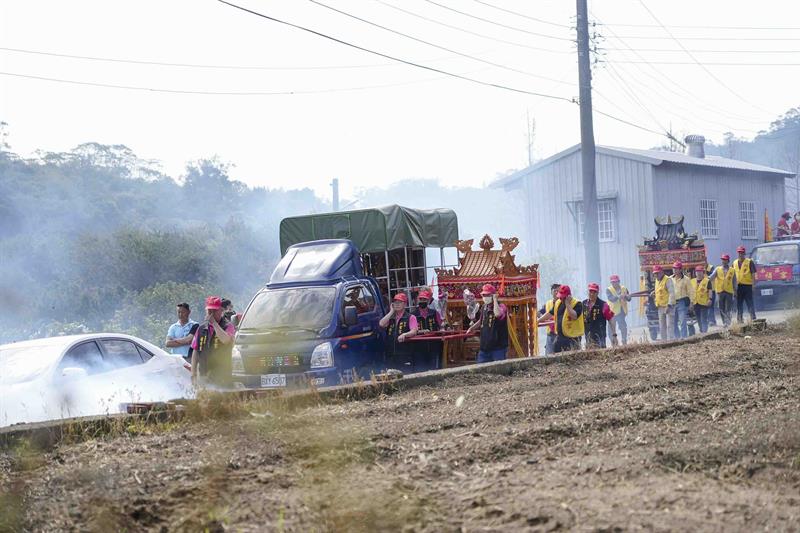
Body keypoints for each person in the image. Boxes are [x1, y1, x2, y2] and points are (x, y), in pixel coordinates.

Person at [191, 296, 236, 388]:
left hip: (222, 376)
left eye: (214, 311)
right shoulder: (201, 328)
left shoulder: (228, 326)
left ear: (221, 311)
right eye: (209, 311)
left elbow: (226, 340)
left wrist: (214, 324)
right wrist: (193, 374)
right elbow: (195, 351)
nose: (211, 314)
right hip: (204, 375)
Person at [467, 284, 509, 363]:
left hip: (498, 347)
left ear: (493, 295)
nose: (485, 297)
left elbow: (497, 314)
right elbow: (481, 320)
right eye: (484, 295)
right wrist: (472, 328)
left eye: (487, 295)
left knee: (498, 368)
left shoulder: (501, 306)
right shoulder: (484, 307)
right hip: (484, 347)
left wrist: (495, 300)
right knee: (481, 368)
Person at [539, 285, 584, 353]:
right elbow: (550, 313)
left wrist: (567, 304)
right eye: (560, 297)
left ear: (568, 296)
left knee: (572, 357)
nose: (561, 299)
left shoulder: (577, 304)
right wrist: (539, 320)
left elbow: (574, 316)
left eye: (563, 297)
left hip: (573, 338)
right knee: (556, 354)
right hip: (560, 337)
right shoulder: (558, 303)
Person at [379, 293, 418, 370]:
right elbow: (381, 324)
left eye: (400, 302)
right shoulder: (391, 317)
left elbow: (414, 331)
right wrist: (391, 311)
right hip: (390, 354)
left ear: (405, 304)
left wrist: (405, 334)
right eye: (395, 302)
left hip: (404, 354)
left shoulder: (410, 317)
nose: (397, 304)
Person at [583, 283, 614, 348]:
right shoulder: (584, 304)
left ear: (597, 293)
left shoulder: (603, 305)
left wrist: (614, 334)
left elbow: (611, 319)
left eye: (594, 292)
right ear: (588, 292)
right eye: (590, 291)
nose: (592, 294)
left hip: (600, 338)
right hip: (588, 337)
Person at [710, 254, 736, 327]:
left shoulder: (732, 270)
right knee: (721, 308)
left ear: (728, 261)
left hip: (729, 292)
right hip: (720, 292)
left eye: (725, 260)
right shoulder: (717, 269)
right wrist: (705, 278)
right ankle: (724, 322)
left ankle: (728, 322)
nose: (723, 261)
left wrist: (735, 291)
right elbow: (711, 277)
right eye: (723, 260)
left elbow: (734, 281)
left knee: (728, 308)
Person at [733, 245, 757, 323]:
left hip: (747, 286)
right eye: (739, 253)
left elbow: (753, 274)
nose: (740, 254)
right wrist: (734, 288)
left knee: (750, 303)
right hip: (738, 287)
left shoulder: (749, 262)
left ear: (744, 253)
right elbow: (733, 275)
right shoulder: (734, 263)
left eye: (742, 253)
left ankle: (753, 318)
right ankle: (740, 320)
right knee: (739, 304)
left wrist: (753, 285)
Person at [606, 275, 631, 346]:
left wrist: (627, 297)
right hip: (612, 312)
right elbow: (611, 299)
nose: (614, 283)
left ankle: (624, 340)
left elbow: (629, 298)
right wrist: (618, 297)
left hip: (621, 311)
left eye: (615, 282)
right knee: (611, 329)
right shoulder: (609, 289)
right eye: (613, 282)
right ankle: (613, 342)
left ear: (619, 282)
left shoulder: (624, 288)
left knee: (623, 327)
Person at [651, 265, 675, 341]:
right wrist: (654, 293)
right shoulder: (657, 280)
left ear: (662, 272)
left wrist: (669, 305)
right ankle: (664, 341)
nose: (656, 275)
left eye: (657, 273)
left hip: (668, 306)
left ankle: (671, 341)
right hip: (660, 306)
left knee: (669, 325)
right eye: (655, 273)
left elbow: (672, 293)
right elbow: (660, 290)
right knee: (662, 326)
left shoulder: (668, 280)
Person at [672, 261, 693, 338]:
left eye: (676, 268)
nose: (674, 270)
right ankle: (677, 338)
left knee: (682, 321)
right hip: (672, 302)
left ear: (680, 269)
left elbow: (690, 291)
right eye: (674, 268)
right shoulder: (670, 279)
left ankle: (684, 338)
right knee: (673, 322)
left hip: (682, 302)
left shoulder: (686, 279)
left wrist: (691, 303)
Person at [538, 284, 561, 355]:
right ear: (551, 292)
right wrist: (544, 318)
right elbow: (538, 313)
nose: (556, 292)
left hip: (561, 334)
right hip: (550, 334)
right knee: (549, 356)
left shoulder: (563, 303)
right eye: (555, 291)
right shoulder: (547, 304)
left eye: (558, 291)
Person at [691, 265, 711, 334]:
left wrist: (710, 299)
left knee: (703, 318)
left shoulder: (707, 281)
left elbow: (710, 291)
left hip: (704, 303)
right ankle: (701, 330)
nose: (698, 273)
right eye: (697, 271)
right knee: (698, 318)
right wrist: (691, 302)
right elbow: (690, 292)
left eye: (700, 271)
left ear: (703, 272)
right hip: (695, 303)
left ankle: (704, 332)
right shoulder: (692, 281)